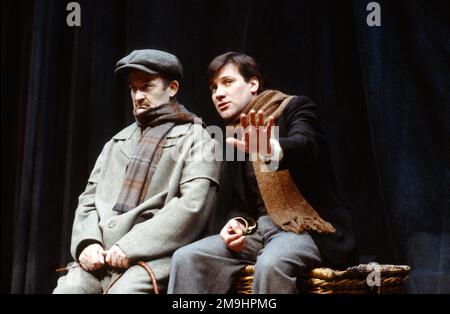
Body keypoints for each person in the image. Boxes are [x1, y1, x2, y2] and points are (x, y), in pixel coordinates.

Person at [168, 52, 357, 294]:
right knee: (187, 257)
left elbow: (308, 144)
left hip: (310, 229)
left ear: (253, 84)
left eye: (227, 82)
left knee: (270, 264)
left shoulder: (295, 107)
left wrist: (272, 149)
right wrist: (235, 224)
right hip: (260, 231)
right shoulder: (234, 135)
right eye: (213, 87)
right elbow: (242, 205)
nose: (218, 94)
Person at [54, 49, 221, 293]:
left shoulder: (200, 140)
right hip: (102, 258)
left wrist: (130, 246)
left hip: (156, 257)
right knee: (69, 289)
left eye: (147, 86)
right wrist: (87, 243)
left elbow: (192, 207)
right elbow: (88, 199)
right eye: (133, 88)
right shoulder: (117, 142)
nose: (138, 96)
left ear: (172, 88)